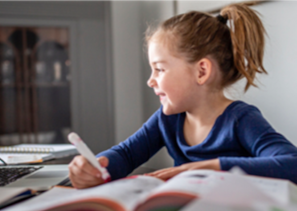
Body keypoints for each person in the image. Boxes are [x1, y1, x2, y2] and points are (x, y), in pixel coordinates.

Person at [68, 3, 297, 189]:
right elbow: (126, 154)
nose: (151, 80)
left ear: (201, 71)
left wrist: (204, 168)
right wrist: (96, 167)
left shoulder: (240, 119)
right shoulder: (167, 119)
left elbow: (291, 164)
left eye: (159, 69)